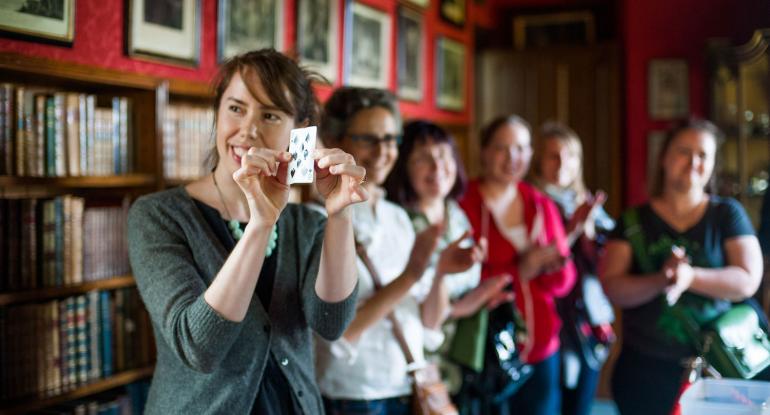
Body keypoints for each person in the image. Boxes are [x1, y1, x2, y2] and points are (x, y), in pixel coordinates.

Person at [127, 49, 367, 414]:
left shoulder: (308, 225)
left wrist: (339, 215)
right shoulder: (159, 215)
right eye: (236, 108)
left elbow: (330, 323)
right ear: (218, 112)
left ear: (300, 131)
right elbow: (197, 347)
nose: (248, 130)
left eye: (270, 114)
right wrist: (261, 222)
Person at [314, 88, 480, 414]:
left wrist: (441, 275)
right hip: (356, 393)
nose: (382, 152)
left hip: (408, 384)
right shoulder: (321, 220)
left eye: (390, 139)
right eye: (367, 139)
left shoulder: (398, 217)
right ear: (337, 140)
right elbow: (340, 332)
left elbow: (428, 323)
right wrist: (412, 274)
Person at [601, 119, 764, 415]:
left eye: (703, 155)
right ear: (664, 157)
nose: (693, 162)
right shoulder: (632, 222)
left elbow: (747, 280)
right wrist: (661, 279)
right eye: (684, 151)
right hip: (644, 370)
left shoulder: (727, 214)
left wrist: (690, 277)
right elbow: (613, 287)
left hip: (718, 370)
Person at [459, 115, 576, 415]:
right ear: (483, 151)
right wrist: (518, 271)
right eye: (502, 148)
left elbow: (565, 283)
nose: (513, 158)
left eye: (522, 148)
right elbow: (456, 278)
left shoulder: (541, 205)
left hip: (541, 349)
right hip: (485, 351)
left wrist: (552, 268)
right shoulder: (463, 203)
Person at [383, 120, 511, 394]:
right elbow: (411, 308)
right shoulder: (399, 222)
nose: (437, 167)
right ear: (403, 166)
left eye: (443, 155)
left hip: (459, 360)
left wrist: (484, 295)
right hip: (416, 365)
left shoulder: (455, 213)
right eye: (423, 159)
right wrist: (468, 305)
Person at [529, 121, 616, 415]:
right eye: (552, 155)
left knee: (581, 403)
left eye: (569, 156)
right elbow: (532, 261)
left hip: (586, 319)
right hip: (548, 316)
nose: (561, 163)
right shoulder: (530, 202)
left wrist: (589, 231)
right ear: (538, 160)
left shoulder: (588, 204)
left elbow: (607, 264)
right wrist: (572, 231)